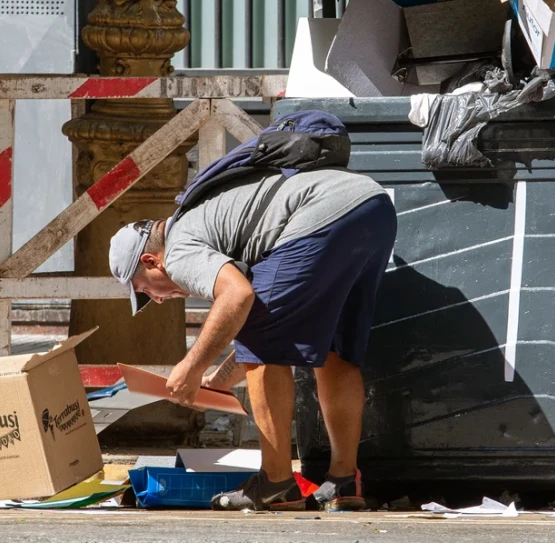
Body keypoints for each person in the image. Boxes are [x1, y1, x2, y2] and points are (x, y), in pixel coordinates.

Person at [107, 111, 396, 512]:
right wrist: (218, 379)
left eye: (144, 290)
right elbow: (259, 318)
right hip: (372, 206)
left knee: (264, 348)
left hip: (319, 216)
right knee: (335, 352)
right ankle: (343, 482)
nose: (156, 300)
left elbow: (239, 300)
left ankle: (277, 483)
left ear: (152, 261)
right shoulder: (205, 219)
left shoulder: (180, 248)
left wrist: (191, 367)